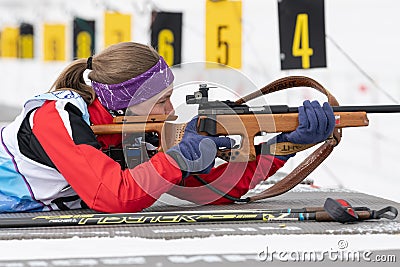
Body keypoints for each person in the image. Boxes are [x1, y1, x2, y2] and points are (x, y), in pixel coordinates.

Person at [0, 42, 335, 213]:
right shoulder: (55, 116)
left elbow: (214, 190)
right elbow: (113, 196)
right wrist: (177, 159)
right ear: (126, 101)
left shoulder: (136, 130)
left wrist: (287, 144)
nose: (171, 110)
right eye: (161, 101)